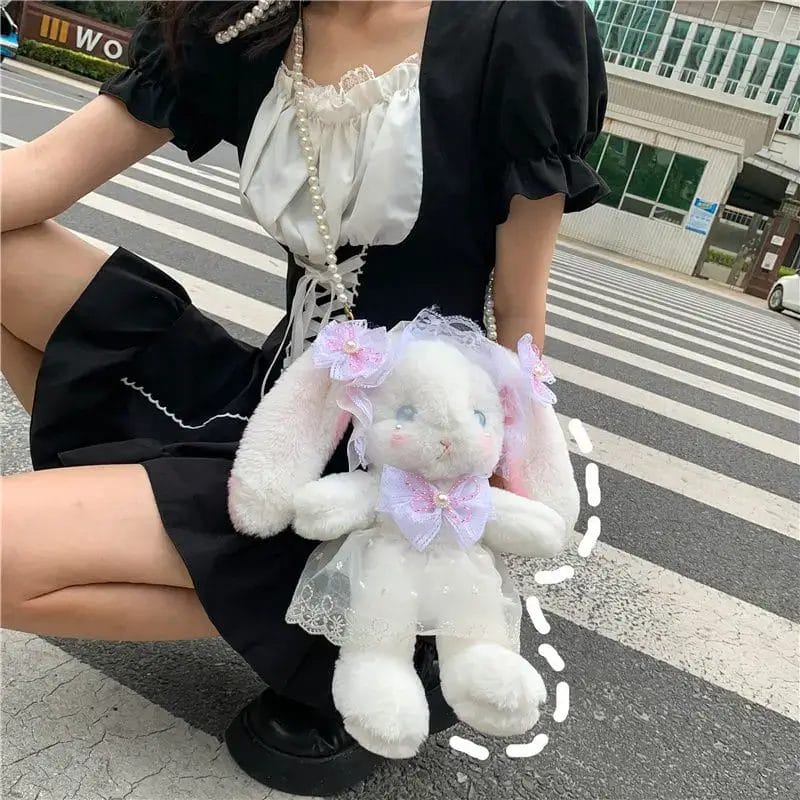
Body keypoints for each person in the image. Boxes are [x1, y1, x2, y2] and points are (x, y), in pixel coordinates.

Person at [0, 0, 607, 795]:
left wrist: (478, 522)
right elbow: (40, 173)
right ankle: (275, 592)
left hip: (380, 466)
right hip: (279, 405)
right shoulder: (248, 18)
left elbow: (520, 314)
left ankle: (357, 613)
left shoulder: (519, 26)